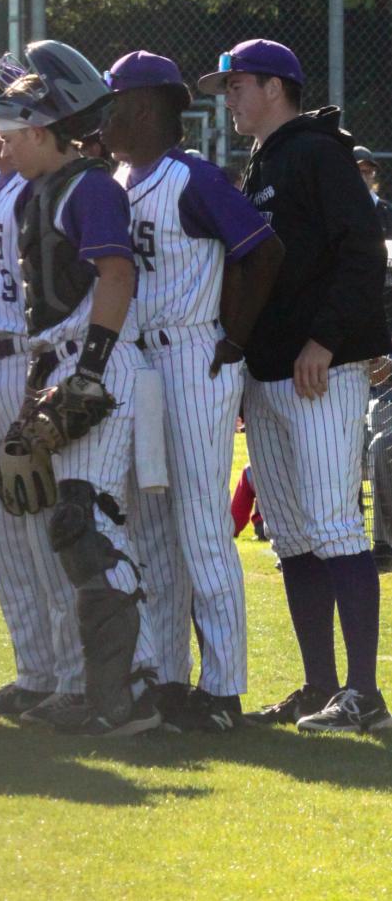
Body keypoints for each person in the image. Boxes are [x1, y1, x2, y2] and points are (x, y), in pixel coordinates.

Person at [198, 38, 391, 733]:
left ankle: (364, 694)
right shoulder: (264, 161)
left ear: (276, 85)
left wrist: (330, 339)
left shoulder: (315, 152)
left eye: (237, 85)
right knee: (291, 536)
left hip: (320, 369)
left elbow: (361, 253)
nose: (229, 99)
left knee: (334, 525)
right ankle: (317, 686)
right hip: (271, 372)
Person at [0, 40, 161, 738]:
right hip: (63, 363)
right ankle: (115, 684)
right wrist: (34, 400)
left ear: (45, 129)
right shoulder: (38, 192)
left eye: (14, 131)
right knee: (79, 525)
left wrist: (88, 371)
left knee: (88, 519)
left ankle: (124, 694)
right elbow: (40, 316)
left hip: (98, 363)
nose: (3, 141)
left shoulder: (91, 186)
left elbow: (115, 276)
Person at [102, 51, 282, 731]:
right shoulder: (120, 176)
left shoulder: (193, 178)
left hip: (192, 354)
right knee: (149, 522)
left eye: (115, 101)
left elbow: (262, 251)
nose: (106, 115)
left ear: (145, 107)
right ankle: (164, 676)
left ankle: (224, 687)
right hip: (143, 361)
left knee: (203, 524)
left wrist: (231, 341)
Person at [0, 66, 81, 726]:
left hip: (29, 363)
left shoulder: (37, 187)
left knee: (39, 521)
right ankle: (34, 668)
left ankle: (70, 671)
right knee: (3, 530)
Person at [353, 147, 392, 238]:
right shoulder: (337, 208)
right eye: (359, 171)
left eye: (369, 172)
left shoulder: (386, 211)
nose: (363, 177)